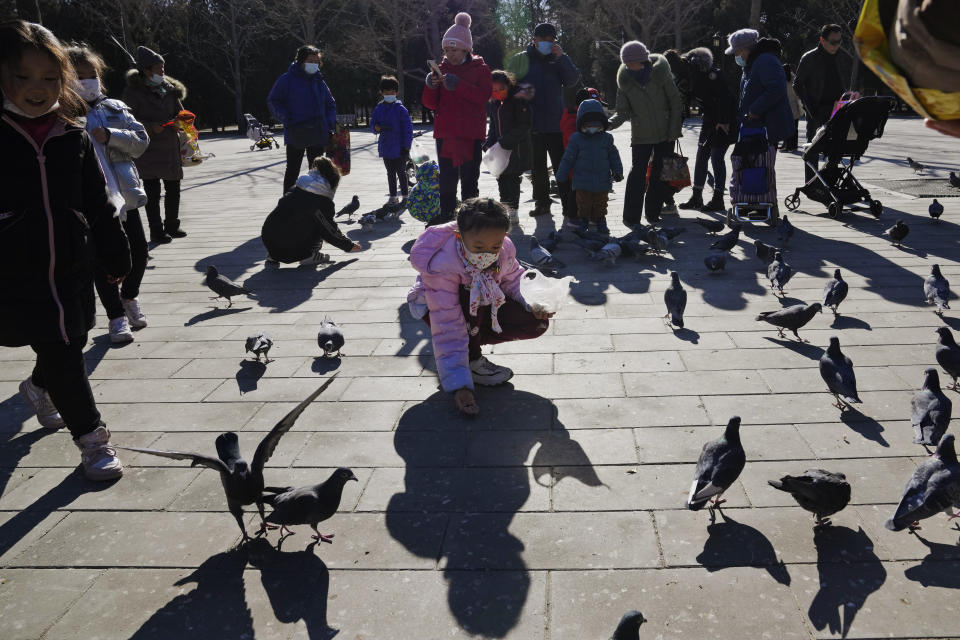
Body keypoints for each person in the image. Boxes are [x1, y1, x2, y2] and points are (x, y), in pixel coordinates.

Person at [2, 20, 130, 480]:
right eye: (24, 77)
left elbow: (95, 200)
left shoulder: (70, 133)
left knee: (70, 340)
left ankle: (39, 387)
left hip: (72, 267)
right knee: (63, 353)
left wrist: (115, 251)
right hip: (17, 271)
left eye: (51, 78)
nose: (38, 88)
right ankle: (92, 440)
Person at [407, 198, 552, 415]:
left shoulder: (504, 250)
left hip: (477, 309)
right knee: (468, 296)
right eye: (479, 247)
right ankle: (472, 362)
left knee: (536, 322)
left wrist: (533, 302)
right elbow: (447, 324)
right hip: (439, 309)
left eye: (495, 246)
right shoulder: (443, 264)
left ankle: (471, 348)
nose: (488, 253)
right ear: (459, 236)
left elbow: (514, 279)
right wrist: (459, 386)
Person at [68, 43, 150, 344]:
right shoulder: (62, 113)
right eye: (78, 76)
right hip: (92, 200)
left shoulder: (113, 107)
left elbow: (141, 141)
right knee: (102, 260)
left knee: (138, 253)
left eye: (91, 75)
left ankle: (130, 297)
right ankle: (116, 317)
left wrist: (113, 135)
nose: (86, 82)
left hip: (125, 194)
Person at [506, 22, 580, 223]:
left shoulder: (558, 59)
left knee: (562, 166)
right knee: (537, 167)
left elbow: (573, 79)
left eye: (551, 40)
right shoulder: (521, 59)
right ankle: (542, 203)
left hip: (557, 123)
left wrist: (562, 57)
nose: (547, 43)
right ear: (534, 40)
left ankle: (569, 205)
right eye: (543, 40)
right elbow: (508, 86)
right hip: (532, 123)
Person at [422, 13, 491, 224]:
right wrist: (431, 86)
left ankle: (471, 216)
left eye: (454, 49)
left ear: (466, 49)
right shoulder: (441, 69)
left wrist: (458, 85)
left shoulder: (481, 69)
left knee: (470, 178)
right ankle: (447, 215)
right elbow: (430, 104)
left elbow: (483, 97)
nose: (449, 54)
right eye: (446, 50)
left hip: (470, 133)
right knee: (447, 178)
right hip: (446, 132)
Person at [607, 41, 683, 226]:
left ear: (642, 61)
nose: (628, 67)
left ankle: (653, 213)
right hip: (641, 134)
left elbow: (675, 102)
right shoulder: (624, 81)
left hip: (666, 133)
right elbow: (622, 111)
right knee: (637, 173)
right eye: (626, 63)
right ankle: (631, 217)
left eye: (631, 63)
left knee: (659, 174)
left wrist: (674, 130)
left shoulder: (661, 74)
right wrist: (607, 123)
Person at [121, 45, 187, 244]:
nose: (162, 72)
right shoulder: (133, 91)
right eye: (159, 69)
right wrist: (150, 127)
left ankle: (172, 225)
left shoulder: (169, 89)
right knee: (152, 191)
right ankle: (156, 230)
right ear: (147, 70)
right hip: (148, 149)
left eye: (163, 68)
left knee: (174, 187)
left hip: (170, 147)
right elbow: (127, 119)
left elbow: (181, 113)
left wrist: (182, 121)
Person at [726, 29, 794, 221]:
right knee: (756, 165)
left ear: (746, 49)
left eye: (738, 52)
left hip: (765, 125)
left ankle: (766, 203)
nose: (737, 57)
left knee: (763, 165)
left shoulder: (764, 61)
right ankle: (758, 201)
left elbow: (776, 89)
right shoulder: (752, 64)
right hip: (754, 125)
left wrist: (754, 110)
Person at [262, 157, 362, 268]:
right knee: (320, 224)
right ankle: (308, 256)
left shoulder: (296, 188)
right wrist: (349, 246)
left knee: (300, 220)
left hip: (268, 238)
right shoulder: (322, 201)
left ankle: (273, 256)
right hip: (292, 249)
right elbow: (329, 230)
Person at [267, 44, 337, 194]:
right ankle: (287, 204)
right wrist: (286, 118)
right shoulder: (287, 79)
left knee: (318, 172)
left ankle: (315, 204)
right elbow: (273, 100)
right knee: (292, 170)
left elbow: (330, 104)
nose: (314, 65)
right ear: (300, 61)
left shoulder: (319, 81)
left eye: (316, 62)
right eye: (310, 61)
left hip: (318, 131)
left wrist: (329, 124)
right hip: (296, 131)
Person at [676, 47, 736, 213]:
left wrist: (723, 121)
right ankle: (697, 197)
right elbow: (688, 100)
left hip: (724, 122)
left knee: (717, 157)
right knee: (701, 157)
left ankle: (718, 199)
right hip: (710, 120)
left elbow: (726, 98)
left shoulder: (714, 76)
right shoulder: (695, 77)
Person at [555, 99, 624, 235]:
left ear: (602, 124)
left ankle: (600, 220)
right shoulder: (576, 139)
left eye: (596, 125)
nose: (592, 128)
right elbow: (568, 158)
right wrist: (561, 175)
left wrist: (618, 171)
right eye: (588, 125)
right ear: (581, 124)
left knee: (601, 203)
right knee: (583, 203)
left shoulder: (606, 139)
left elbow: (614, 156)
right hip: (582, 180)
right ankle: (583, 221)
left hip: (602, 180)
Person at [483, 69, 532, 227]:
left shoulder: (519, 101)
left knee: (512, 179)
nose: (497, 93)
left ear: (509, 86)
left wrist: (506, 140)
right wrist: (488, 143)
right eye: (494, 90)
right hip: (499, 150)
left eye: (501, 89)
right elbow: (493, 127)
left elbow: (524, 125)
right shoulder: (494, 104)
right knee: (502, 178)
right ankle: (505, 208)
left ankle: (513, 211)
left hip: (515, 150)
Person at [793, 24, 852, 143]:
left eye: (839, 41)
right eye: (833, 42)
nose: (836, 46)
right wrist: (809, 107)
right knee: (812, 147)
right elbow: (797, 84)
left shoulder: (842, 57)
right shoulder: (809, 58)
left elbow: (847, 80)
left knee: (837, 147)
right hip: (816, 109)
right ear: (822, 40)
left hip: (838, 108)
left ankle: (832, 161)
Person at [370, 75, 414, 207]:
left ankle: (405, 196)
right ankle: (393, 196)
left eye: (392, 92)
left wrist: (406, 147)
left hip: (400, 148)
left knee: (401, 172)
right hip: (385, 147)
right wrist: (375, 128)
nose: (389, 94)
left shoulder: (401, 109)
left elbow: (408, 129)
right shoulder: (379, 109)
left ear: (396, 92)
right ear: (382, 93)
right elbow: (373, 124)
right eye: (386, 92)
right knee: (390, 173)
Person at [782, 63, 803, 152]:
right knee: (795, 128)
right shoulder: (794, 78)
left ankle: (786, 145)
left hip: (785, 106)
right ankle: (793, 146)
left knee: (786, 127)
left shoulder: (781, 79)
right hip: (795, 106)